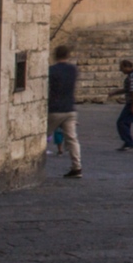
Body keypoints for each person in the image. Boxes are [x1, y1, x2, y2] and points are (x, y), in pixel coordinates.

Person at [48, 45, 81, 178]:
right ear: (67, 55)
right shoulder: (73, 70)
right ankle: (77, 167)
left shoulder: (52, 70)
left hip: (55, 108)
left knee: (41, 135)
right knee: (72, 139)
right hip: (69, 108)